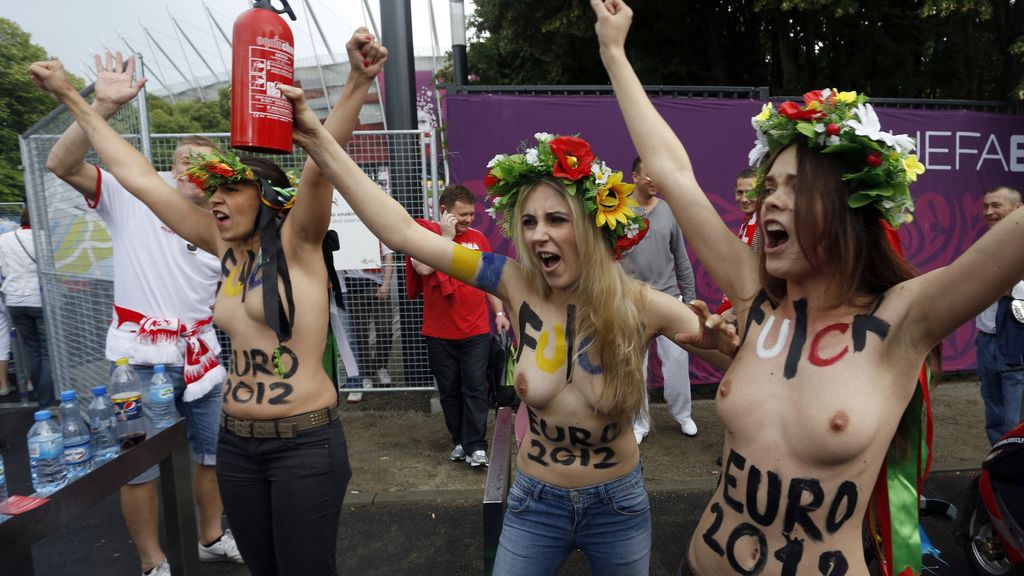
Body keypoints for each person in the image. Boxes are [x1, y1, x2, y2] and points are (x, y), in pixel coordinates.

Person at [591, 1, 1024, 574]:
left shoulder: (904, 319)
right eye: (769, 185)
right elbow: (672, 172)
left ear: (849, 210)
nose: (770, 198)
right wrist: (614, 53)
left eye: (794, 186)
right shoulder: (754, 294)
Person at [277, 76, 737, 569]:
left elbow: (738, 361)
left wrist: (721, 344)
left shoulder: (640, 303)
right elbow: (404, 232)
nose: (539, 234)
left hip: (618, 508)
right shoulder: (512, 282)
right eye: (530, 221)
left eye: (556, 220)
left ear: (587, 224)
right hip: (534, 505)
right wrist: (317, 140)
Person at [31, 29, 387, 576]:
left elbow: (319, 167)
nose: (215, 199)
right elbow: (138, 176)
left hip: (304, 446)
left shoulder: (300, 243)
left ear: (267, 198)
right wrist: (76, 100)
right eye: (211, 191)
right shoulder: (221, 246)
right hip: (238, 445)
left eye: (230, 189)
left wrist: (358, 82)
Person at [45, 53, 239, 575]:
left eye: (201, 163)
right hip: (138, 362)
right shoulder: (135, 194)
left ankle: (211, 536)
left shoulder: (225, 221)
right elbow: (61, 165)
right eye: (180, 159)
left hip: (202, 358)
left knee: (212, 455)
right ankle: (153, 562)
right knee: (136, 468)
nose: (186, 168)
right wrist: (101, 106)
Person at [407, 184, 509, 467]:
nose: (468, 220)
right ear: (444, 212)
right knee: (449, 391)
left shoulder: (479, 238)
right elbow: (423, 268)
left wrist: (499, 312)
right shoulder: (424, 235)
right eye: (462, 214)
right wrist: (447, 237)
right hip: (439, 332)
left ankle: (477, 445)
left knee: (476, 388)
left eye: (471, 214)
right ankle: (460, 442)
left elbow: (489, 279)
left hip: (476, 330)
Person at [621, 156, 698, 441]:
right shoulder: (619, 211)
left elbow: (681, 257)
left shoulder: (668, 211)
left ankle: (683, 415)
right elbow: (610, 257)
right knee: (634, 368)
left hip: (669, 299)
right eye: (648, 175)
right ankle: (639, 423)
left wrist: (689, 300)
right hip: (632, 301)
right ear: (635, 177)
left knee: (677, 363)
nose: (655, 181)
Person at [977, 186, 1024, 444]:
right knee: (993, 414)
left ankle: (1015, 474)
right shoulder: (983, 247)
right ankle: (996, 473)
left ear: (1018, 210)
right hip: (986, 341)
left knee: (1014, 421)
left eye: (996, 206)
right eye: (986, 207)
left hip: (1016, 344)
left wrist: (1001, 284)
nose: (989, 212)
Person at [0, 208, 49, 405]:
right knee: (47, 352)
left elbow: (3, 269)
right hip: (39, 299)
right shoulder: (44, 238)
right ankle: (47, 399)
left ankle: (37, 394)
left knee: (32, 349)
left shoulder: (4, 239)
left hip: (14, 300)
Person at [341, 241, 394, 403]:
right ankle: (368, 372)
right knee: (360, 333)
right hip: (353, 285)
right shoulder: (345, 226)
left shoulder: (376, 227)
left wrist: (385, 284)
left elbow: (388, 256)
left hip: (376, 283)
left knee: (385, 329)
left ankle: (380, 366)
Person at [716, 168, 760, 315]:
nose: (744, 198)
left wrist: (734, 311)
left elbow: (762, 278)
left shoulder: (765, 227)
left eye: (750, 192)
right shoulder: (747, 222)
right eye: (740, 192)